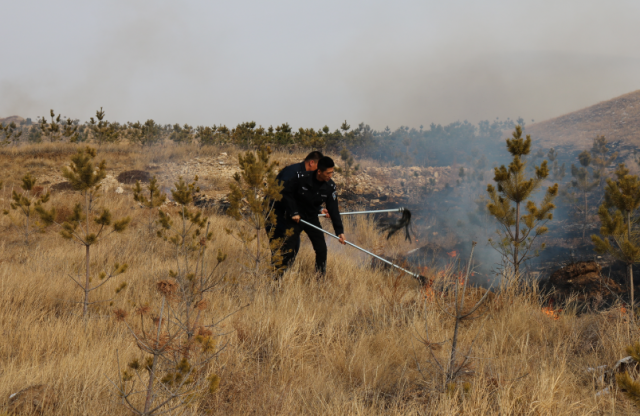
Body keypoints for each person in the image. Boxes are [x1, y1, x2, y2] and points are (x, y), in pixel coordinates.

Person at [279, 156, 346, 276]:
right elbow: (286, 192)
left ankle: (320, 278)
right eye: (328, 173)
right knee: (288, 250)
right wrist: (293, 212)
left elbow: (333, 210)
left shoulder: (330, 187)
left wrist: (339, 231)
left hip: (311, 218)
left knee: (321, 249)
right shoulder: (301, 178)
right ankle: (277, 277)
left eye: (332, 173)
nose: (330, 176)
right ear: (319, 171)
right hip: (295, 219)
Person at [268, 151, 327, 271]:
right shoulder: (291, 172)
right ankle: (274, 281)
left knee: (293, 248)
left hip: (289, 216)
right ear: (311, 163)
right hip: (276, 215)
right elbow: (282, 194)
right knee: (282, 249)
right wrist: (294, 211)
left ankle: (281, 279)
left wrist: (319, 209)